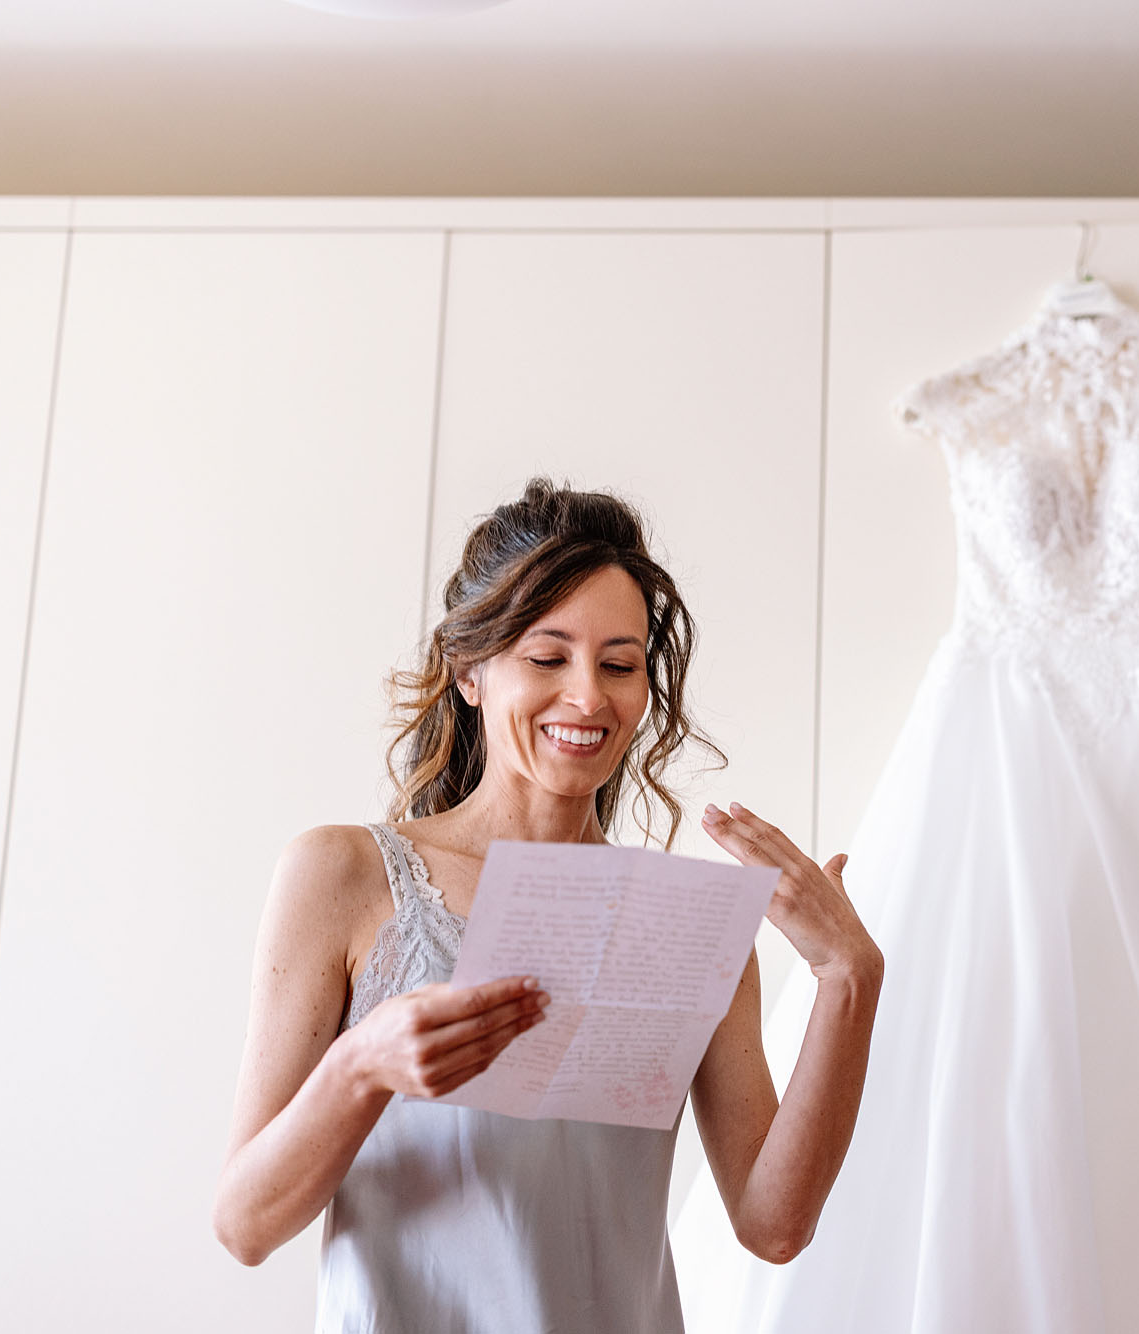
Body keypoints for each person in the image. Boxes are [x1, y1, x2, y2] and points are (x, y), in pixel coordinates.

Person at [212, 479, 883, 1332]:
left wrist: (847, 977)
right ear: (470, 672)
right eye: (547, 658)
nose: (588, 697)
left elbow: (775, 1226)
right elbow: (245, 1226)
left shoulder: (690, 924)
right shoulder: (344, 874)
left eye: (619, 665)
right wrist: (362, 1066)